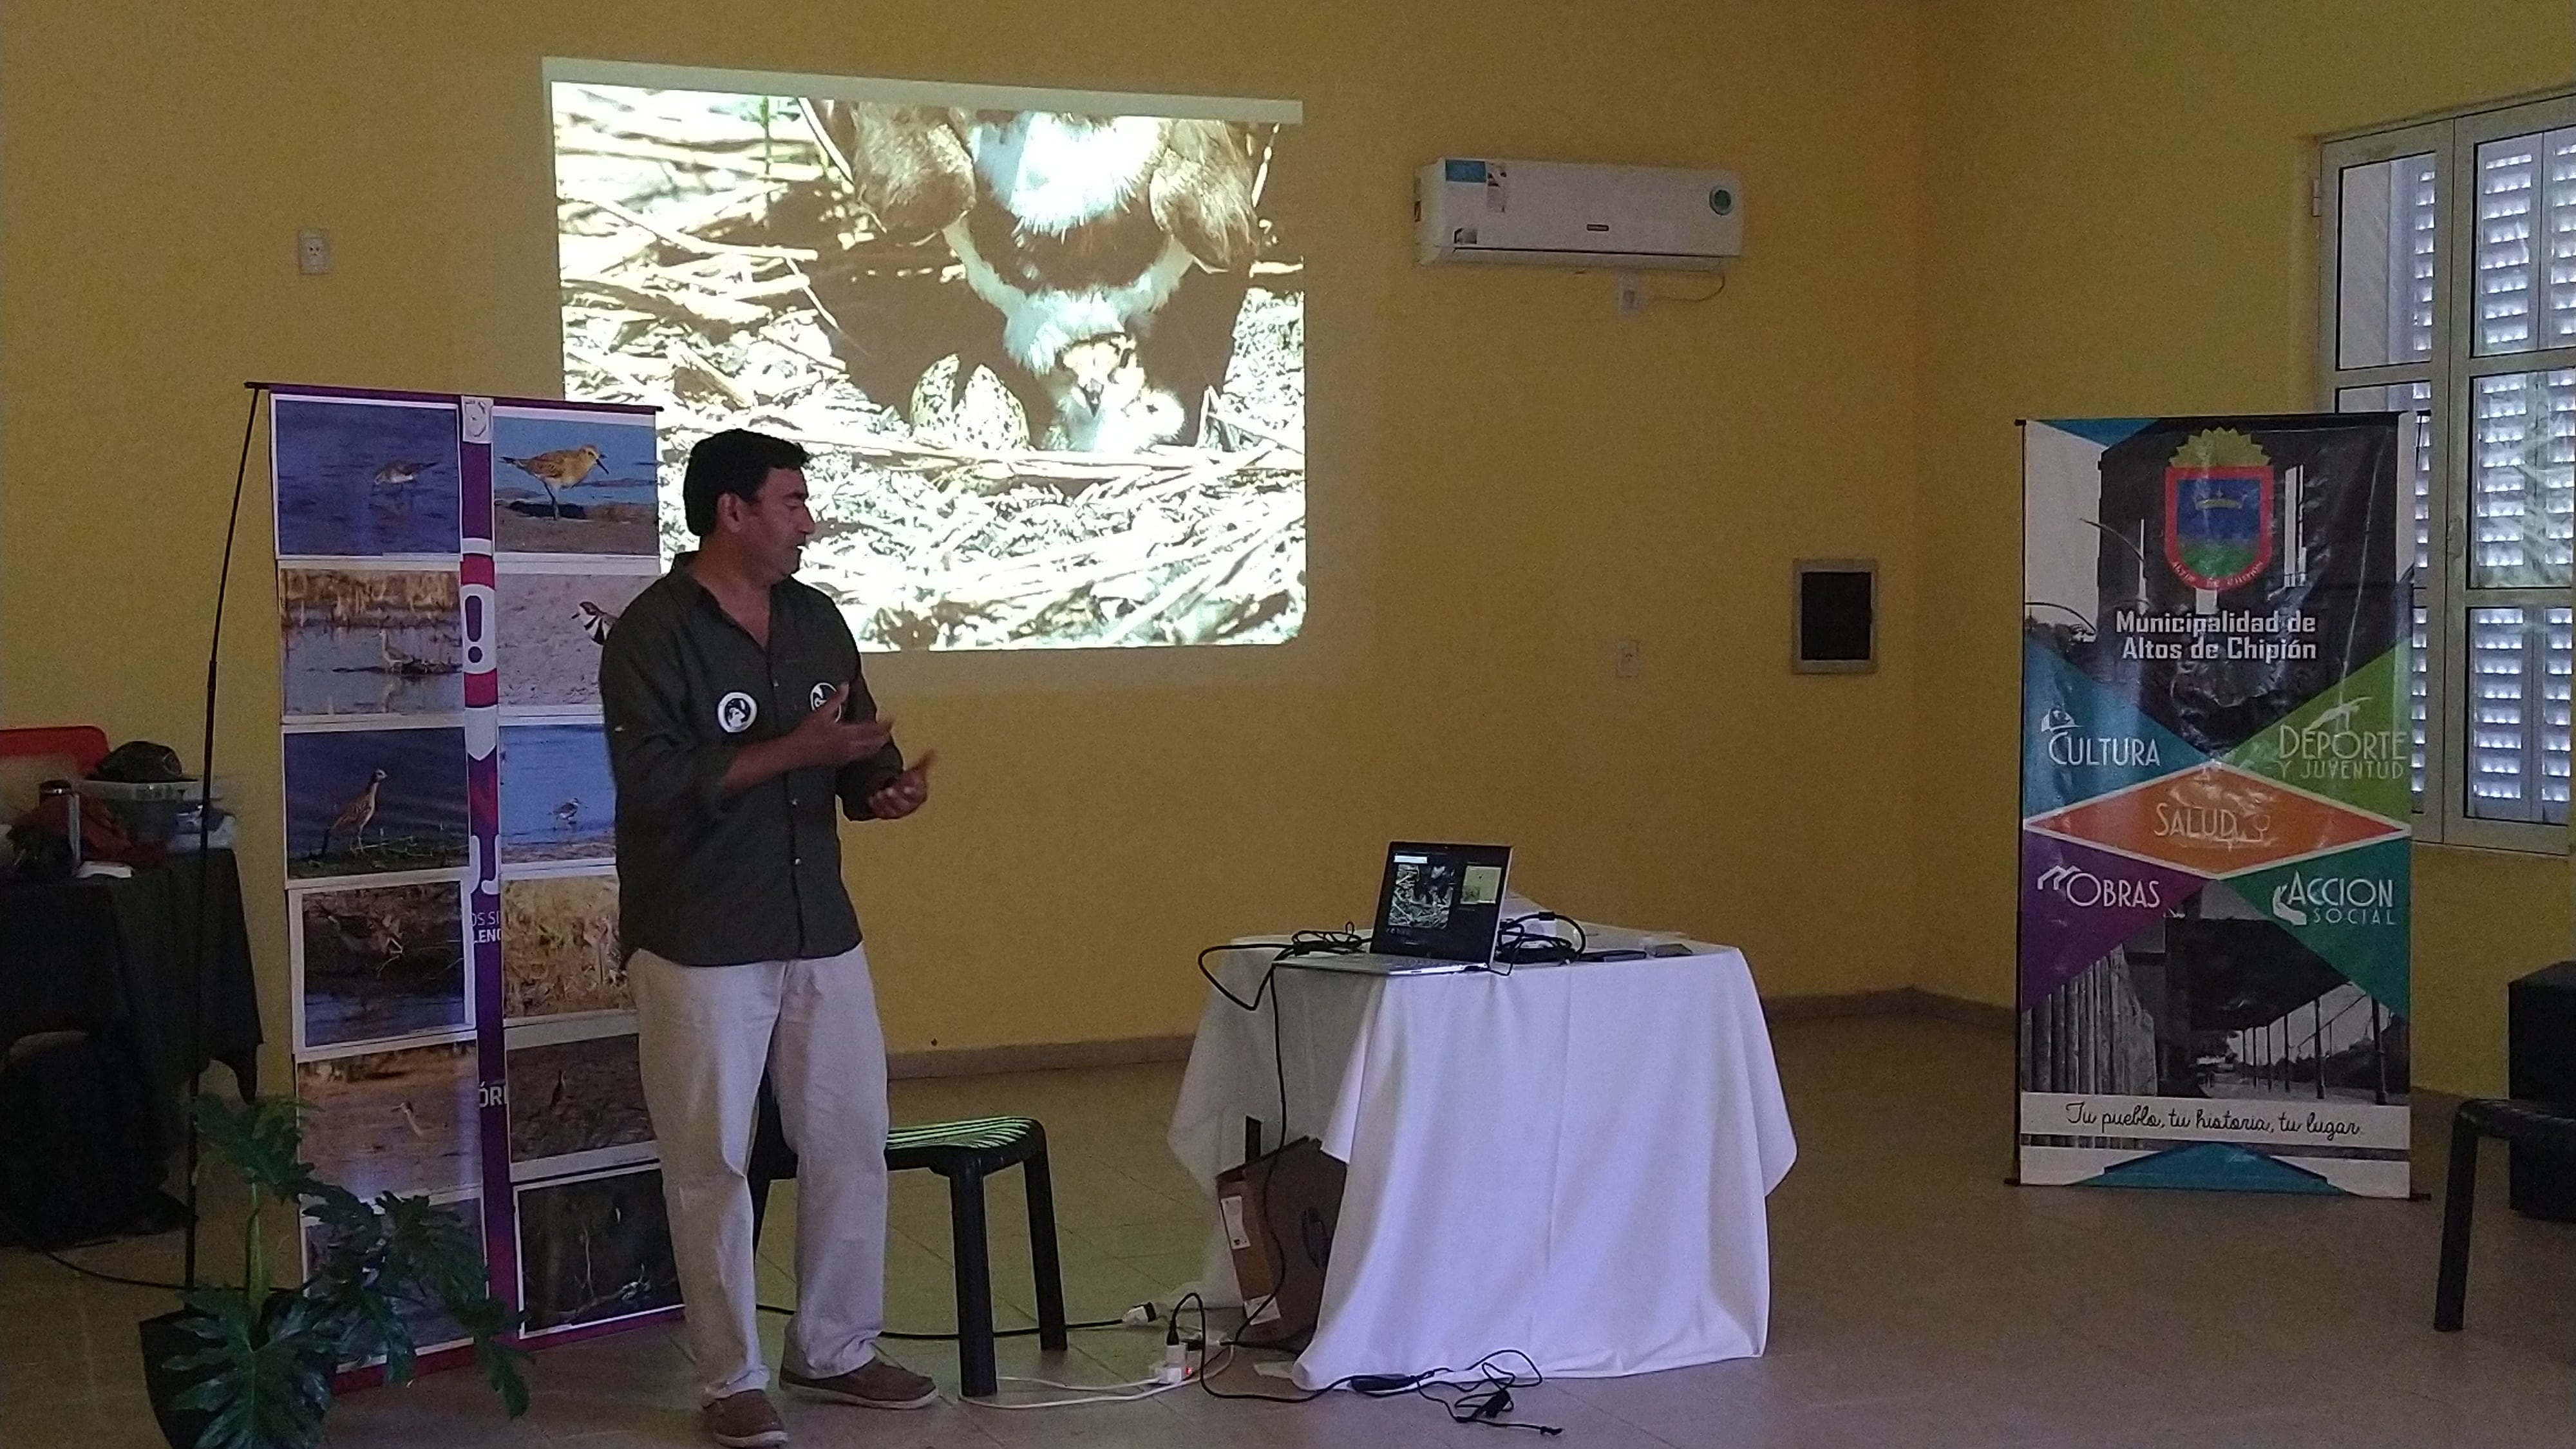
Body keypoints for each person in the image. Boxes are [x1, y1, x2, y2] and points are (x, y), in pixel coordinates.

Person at [600, 428, 939, 1448]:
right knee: (712, 1160)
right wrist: (795, 746)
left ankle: (834, 1349)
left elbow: (848, 757)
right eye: (790, 502)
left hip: (818, 927)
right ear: (731, 512)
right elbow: (657, 785)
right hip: (700, 937)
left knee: (849, 1136)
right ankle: (729, 1378)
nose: (808, 519)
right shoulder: (653, 633)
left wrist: (882, 789)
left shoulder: (816, 618)